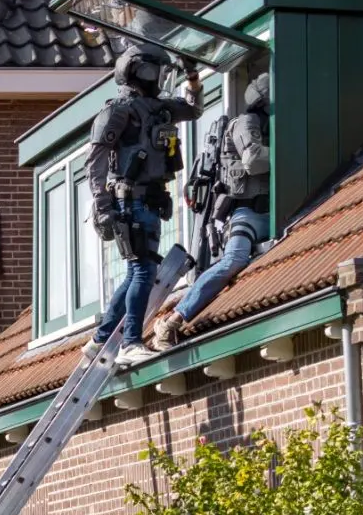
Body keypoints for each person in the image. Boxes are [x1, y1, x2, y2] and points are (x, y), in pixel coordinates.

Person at [86, 45, 201, 361]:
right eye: (159, 71)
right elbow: (94, 161)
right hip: (130, 202)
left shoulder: (159, 108)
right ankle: (130, 342)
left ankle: (101, 338)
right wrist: (103, 206)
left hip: (150, 201)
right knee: (143, 271)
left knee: (138, 270)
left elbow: (193, 109)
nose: (163, 78)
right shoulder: (118, 110)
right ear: (142, 71)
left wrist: (192, 76)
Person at [152, 70, 270, 350]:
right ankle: (174, 320)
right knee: (234, 260)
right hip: (247, 213)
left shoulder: (277, 124)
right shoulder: (247, 123)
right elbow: (253, 160)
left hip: (277, 211)